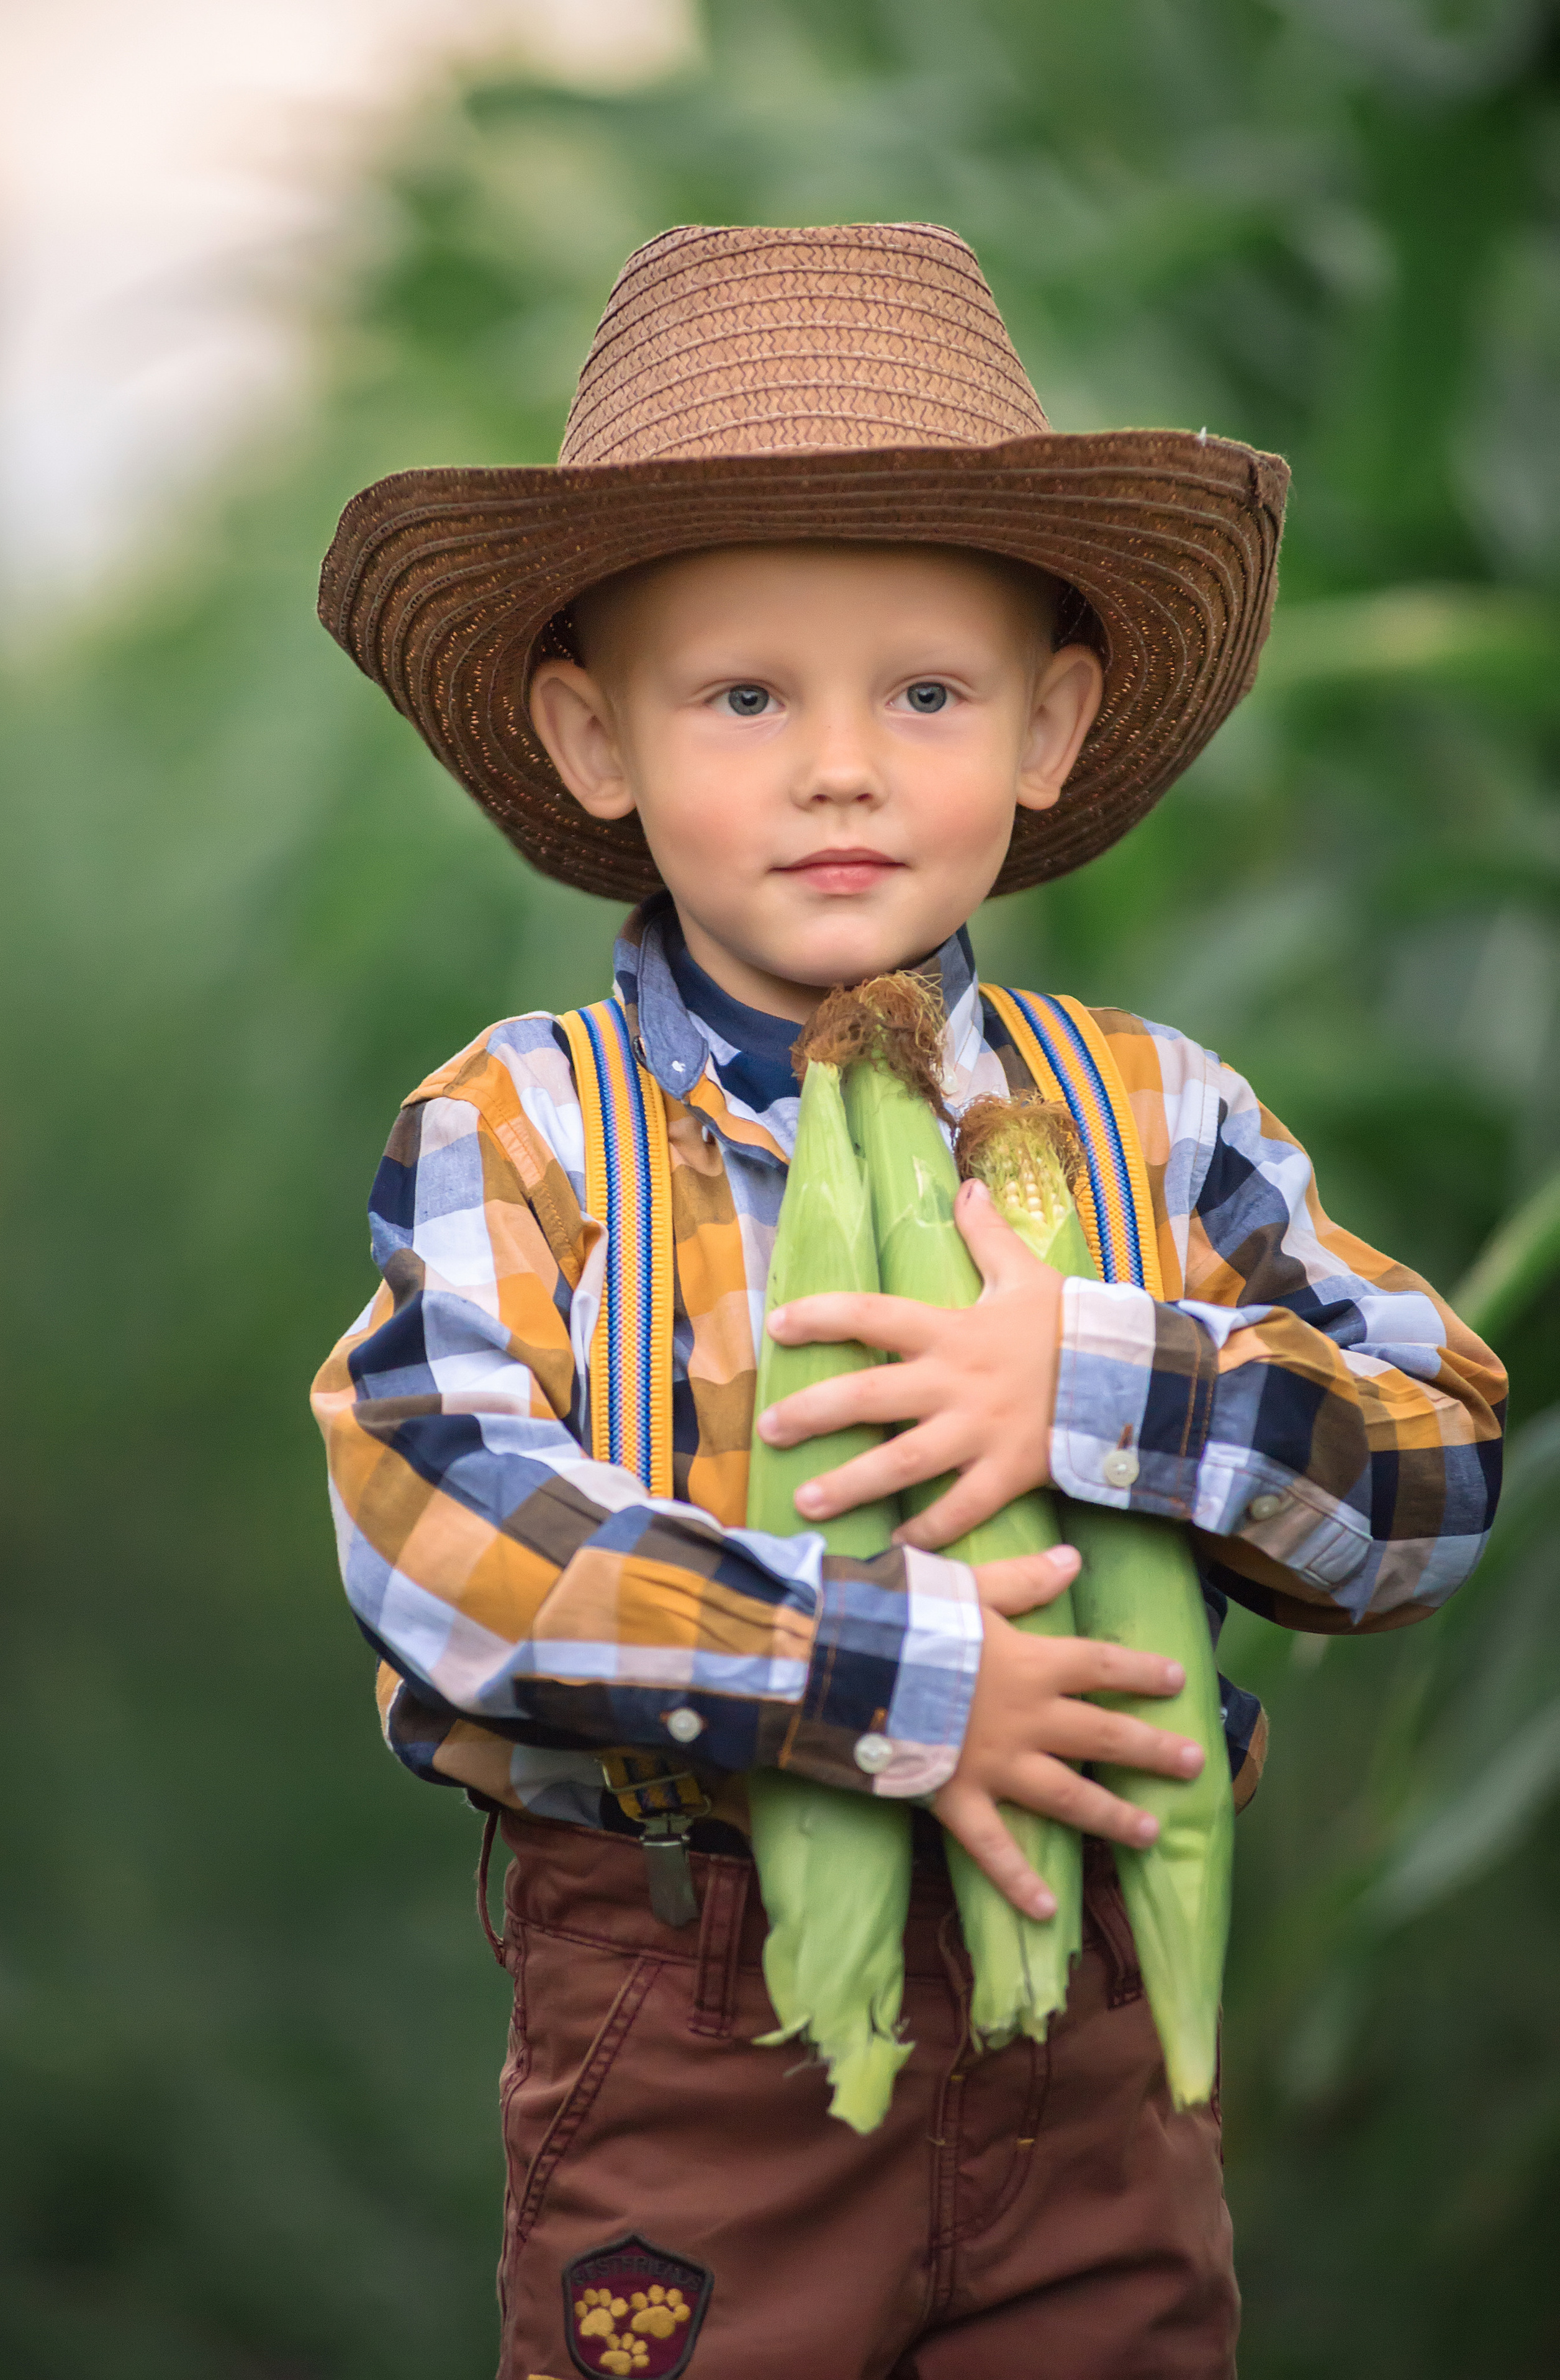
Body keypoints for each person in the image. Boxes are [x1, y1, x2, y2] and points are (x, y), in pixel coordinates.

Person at [310, 225, 1505, 2380]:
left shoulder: (1160, 1121)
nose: (841, 765)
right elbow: (441, 1525)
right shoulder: (528, 1130)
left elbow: (1442, 1473)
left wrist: (1109, 1377)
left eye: (927, 692)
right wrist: (895, 1676)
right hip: (695, 2039)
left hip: (1112, 2034)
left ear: (1050, 723)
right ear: (596, 738)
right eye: (745, 693)